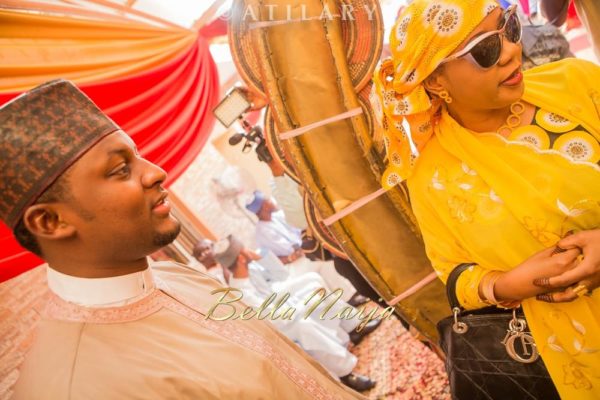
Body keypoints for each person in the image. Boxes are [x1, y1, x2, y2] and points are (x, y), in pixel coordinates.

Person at [3, 79, 367, 399]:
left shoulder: (178, 279)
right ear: (50, 221)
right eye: (119, 169)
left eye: (138, 156)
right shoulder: (73, 387)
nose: (156, 172)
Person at [372, 1, 600, 398]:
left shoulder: (577, 83)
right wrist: (506, 285)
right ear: (436, 81)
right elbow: (455, 275)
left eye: (509, 28)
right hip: (575, 353)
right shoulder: (431, 179)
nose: (511, 49)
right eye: (484, 49)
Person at [211, 235, 378, 392]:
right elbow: (276, 320)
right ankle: (346, 374)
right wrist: (305, 304)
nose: (248, 250)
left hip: (283, 303)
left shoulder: (250, 267)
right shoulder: (241, 292)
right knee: (304, 326)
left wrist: (263, 257)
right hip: (279, 327)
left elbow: (281, 276)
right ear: (240, 258)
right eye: (244, 249)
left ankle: (354, 327)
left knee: (313, 280)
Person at [246, 190, 360, 302]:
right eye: (267, 200)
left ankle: (351, 293)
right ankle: (349, 298)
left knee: (326, 255)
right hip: (291, 265)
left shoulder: (277, 216)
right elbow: (291, 250)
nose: (271, 200)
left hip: (302, 254)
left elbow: (299, 231)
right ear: (264, 207)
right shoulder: (263, 232)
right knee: (322, 261)